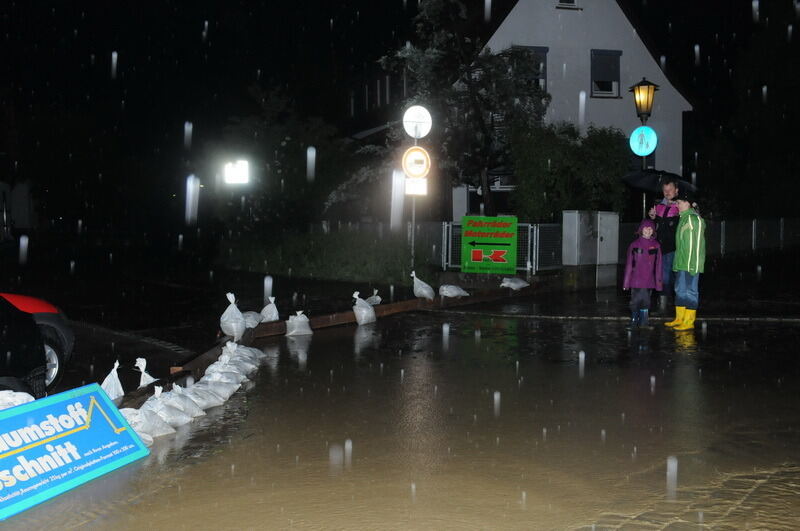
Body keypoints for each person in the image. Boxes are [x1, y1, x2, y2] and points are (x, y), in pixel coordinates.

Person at [664, 190, 705, 331]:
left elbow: (698, 245)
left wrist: (695, 265)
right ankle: (679, 318)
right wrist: (676, 263)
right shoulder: (683, 218)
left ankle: (688, 321)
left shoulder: (694, 219)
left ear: (688, 203)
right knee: (680, 290)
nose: (677, 205)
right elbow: (680, 246)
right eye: (677, 202)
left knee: (690, 291)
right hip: (681, 263)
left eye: (680, 202)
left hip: (691, 264)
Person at [623, 219, 662, 327]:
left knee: (646, 301)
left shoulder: (656, 245)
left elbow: (659, 265)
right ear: (641, 229)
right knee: (635, 301)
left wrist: (658, 283)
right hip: (635, 280)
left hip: (649, 280)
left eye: (650, 229)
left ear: (653, 231)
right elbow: (629, 264)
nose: (648, 231)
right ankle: (634, 319)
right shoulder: (634, 245)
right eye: (646, 228)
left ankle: (644, 321)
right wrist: (626, 283)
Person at [648, 178, 680, 298]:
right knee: (663, 273)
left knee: (675, 273)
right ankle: (665, 300)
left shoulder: (680, 206)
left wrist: (679, 208)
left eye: (670, 190)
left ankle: (674, 298)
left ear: (676, 190)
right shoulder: (659, 206)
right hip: (660, 246)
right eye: (665, 190)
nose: (667, 193)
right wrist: (652, 217)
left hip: (675, 247)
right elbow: (655, 226)